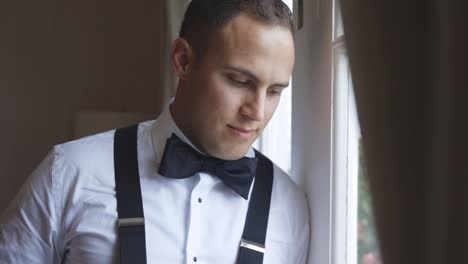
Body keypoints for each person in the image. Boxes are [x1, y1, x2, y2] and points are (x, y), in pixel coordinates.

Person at [0, 0, 309, 263]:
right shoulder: (69, 172)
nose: (256, 112)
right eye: (240, 81)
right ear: (183, 60)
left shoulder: (288, 206)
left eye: (275, 91)